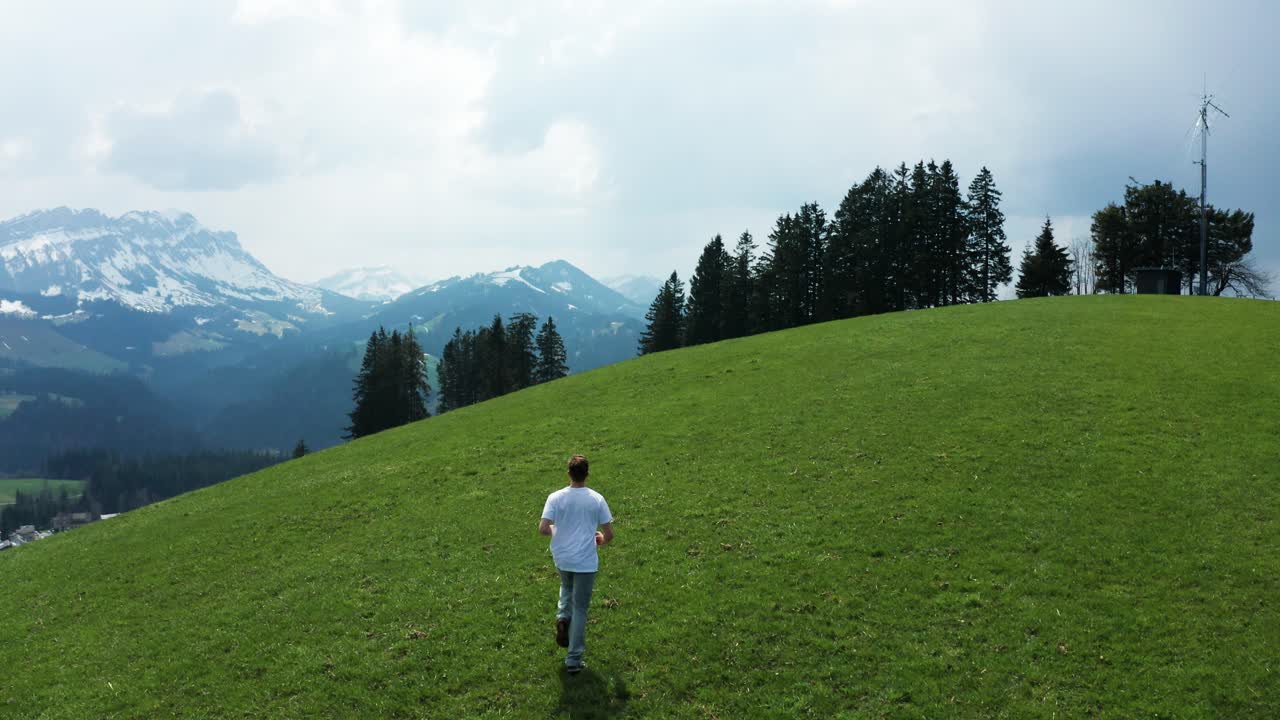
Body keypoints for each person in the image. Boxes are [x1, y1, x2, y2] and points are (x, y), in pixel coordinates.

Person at [539, 454, 614, 673]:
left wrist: (558, 530)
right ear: (587, 474)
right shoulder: (596, 499)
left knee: (566, 586)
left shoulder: (555, 497)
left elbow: (543, 529)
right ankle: (573, 660)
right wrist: (601, 539)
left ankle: (562, 617)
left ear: (568, 474)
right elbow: (609, 534)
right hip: (585, 561)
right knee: (580, 608)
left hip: (562, 557)